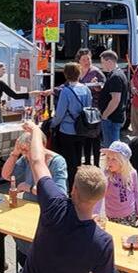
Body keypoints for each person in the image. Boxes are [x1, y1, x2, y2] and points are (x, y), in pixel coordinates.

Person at [14, 121, 115, 273]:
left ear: (73, 190)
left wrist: (35, 130)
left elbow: (37, 160)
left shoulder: (53, 203)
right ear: (99, 198)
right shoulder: (102, 241)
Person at [0, 131, 68, 273]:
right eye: (23, 150)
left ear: (41, 145)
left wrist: (29, 188)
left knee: (25, 243)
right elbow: (6, 175)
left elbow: (60, 194)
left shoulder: (57, 161)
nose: (26, 154)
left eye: (27, 150)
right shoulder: (26, 158)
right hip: (24, 209)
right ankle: (0, 263)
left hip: (43, 212)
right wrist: (15, 153)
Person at [98, 141, 138, 273]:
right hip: (113, 216)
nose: (109, 162)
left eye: (113, 159)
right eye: (107, 158)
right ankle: (123, 271)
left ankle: (126, 268)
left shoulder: (132, 173)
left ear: (123, 161)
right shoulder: (107, 175)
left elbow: (136, 192)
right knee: (118, 243)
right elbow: (100, 195)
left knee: (129, 242)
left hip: (130, 214)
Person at [51, 62, 92, 190]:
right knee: (78, 159)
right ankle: (78, 186)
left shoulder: (66, 91)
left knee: (68, 161)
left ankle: (70, 187)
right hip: (82, 129)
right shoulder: (86, 89)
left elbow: (60, 114)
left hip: (67, 130)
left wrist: (52, 124)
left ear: (66, 75)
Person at [75, 49, 105, 166]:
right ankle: (87, 162)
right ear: (79, 61)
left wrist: (98, 86)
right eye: (84, 59)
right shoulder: (77, 71)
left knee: (95, 136)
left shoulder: (96, 72)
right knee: (85, 136)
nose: (87, 61)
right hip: (82, 109)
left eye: (89, 59)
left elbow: (104, 87)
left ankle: (96, 164)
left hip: (94, 109)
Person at [98, 50, 128, 148]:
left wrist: (105, 115)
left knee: (111, 147)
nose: (101, 65)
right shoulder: (117, 74)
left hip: (112, 118)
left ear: (109, 61)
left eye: (102, 62)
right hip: (114, 117)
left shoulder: (115, 76)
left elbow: (115, 99)